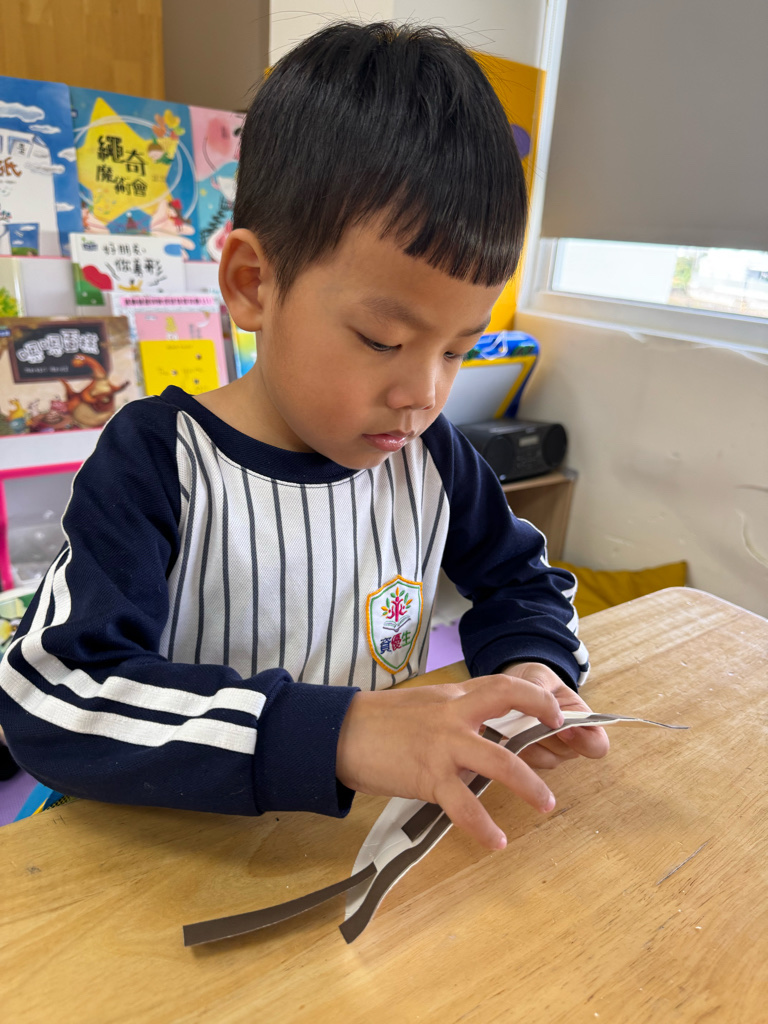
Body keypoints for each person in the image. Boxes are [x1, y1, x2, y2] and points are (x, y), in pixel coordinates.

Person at [0, 22, 608, 850]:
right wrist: (339, 733)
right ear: (254, 284)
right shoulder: (158, 461)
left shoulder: (431, 456)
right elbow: (52, 697)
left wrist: (532, 667)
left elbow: (524, 584)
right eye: (382, 340)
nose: (425, 395)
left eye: (457, 350)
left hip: (336, 855)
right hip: (163, 859)